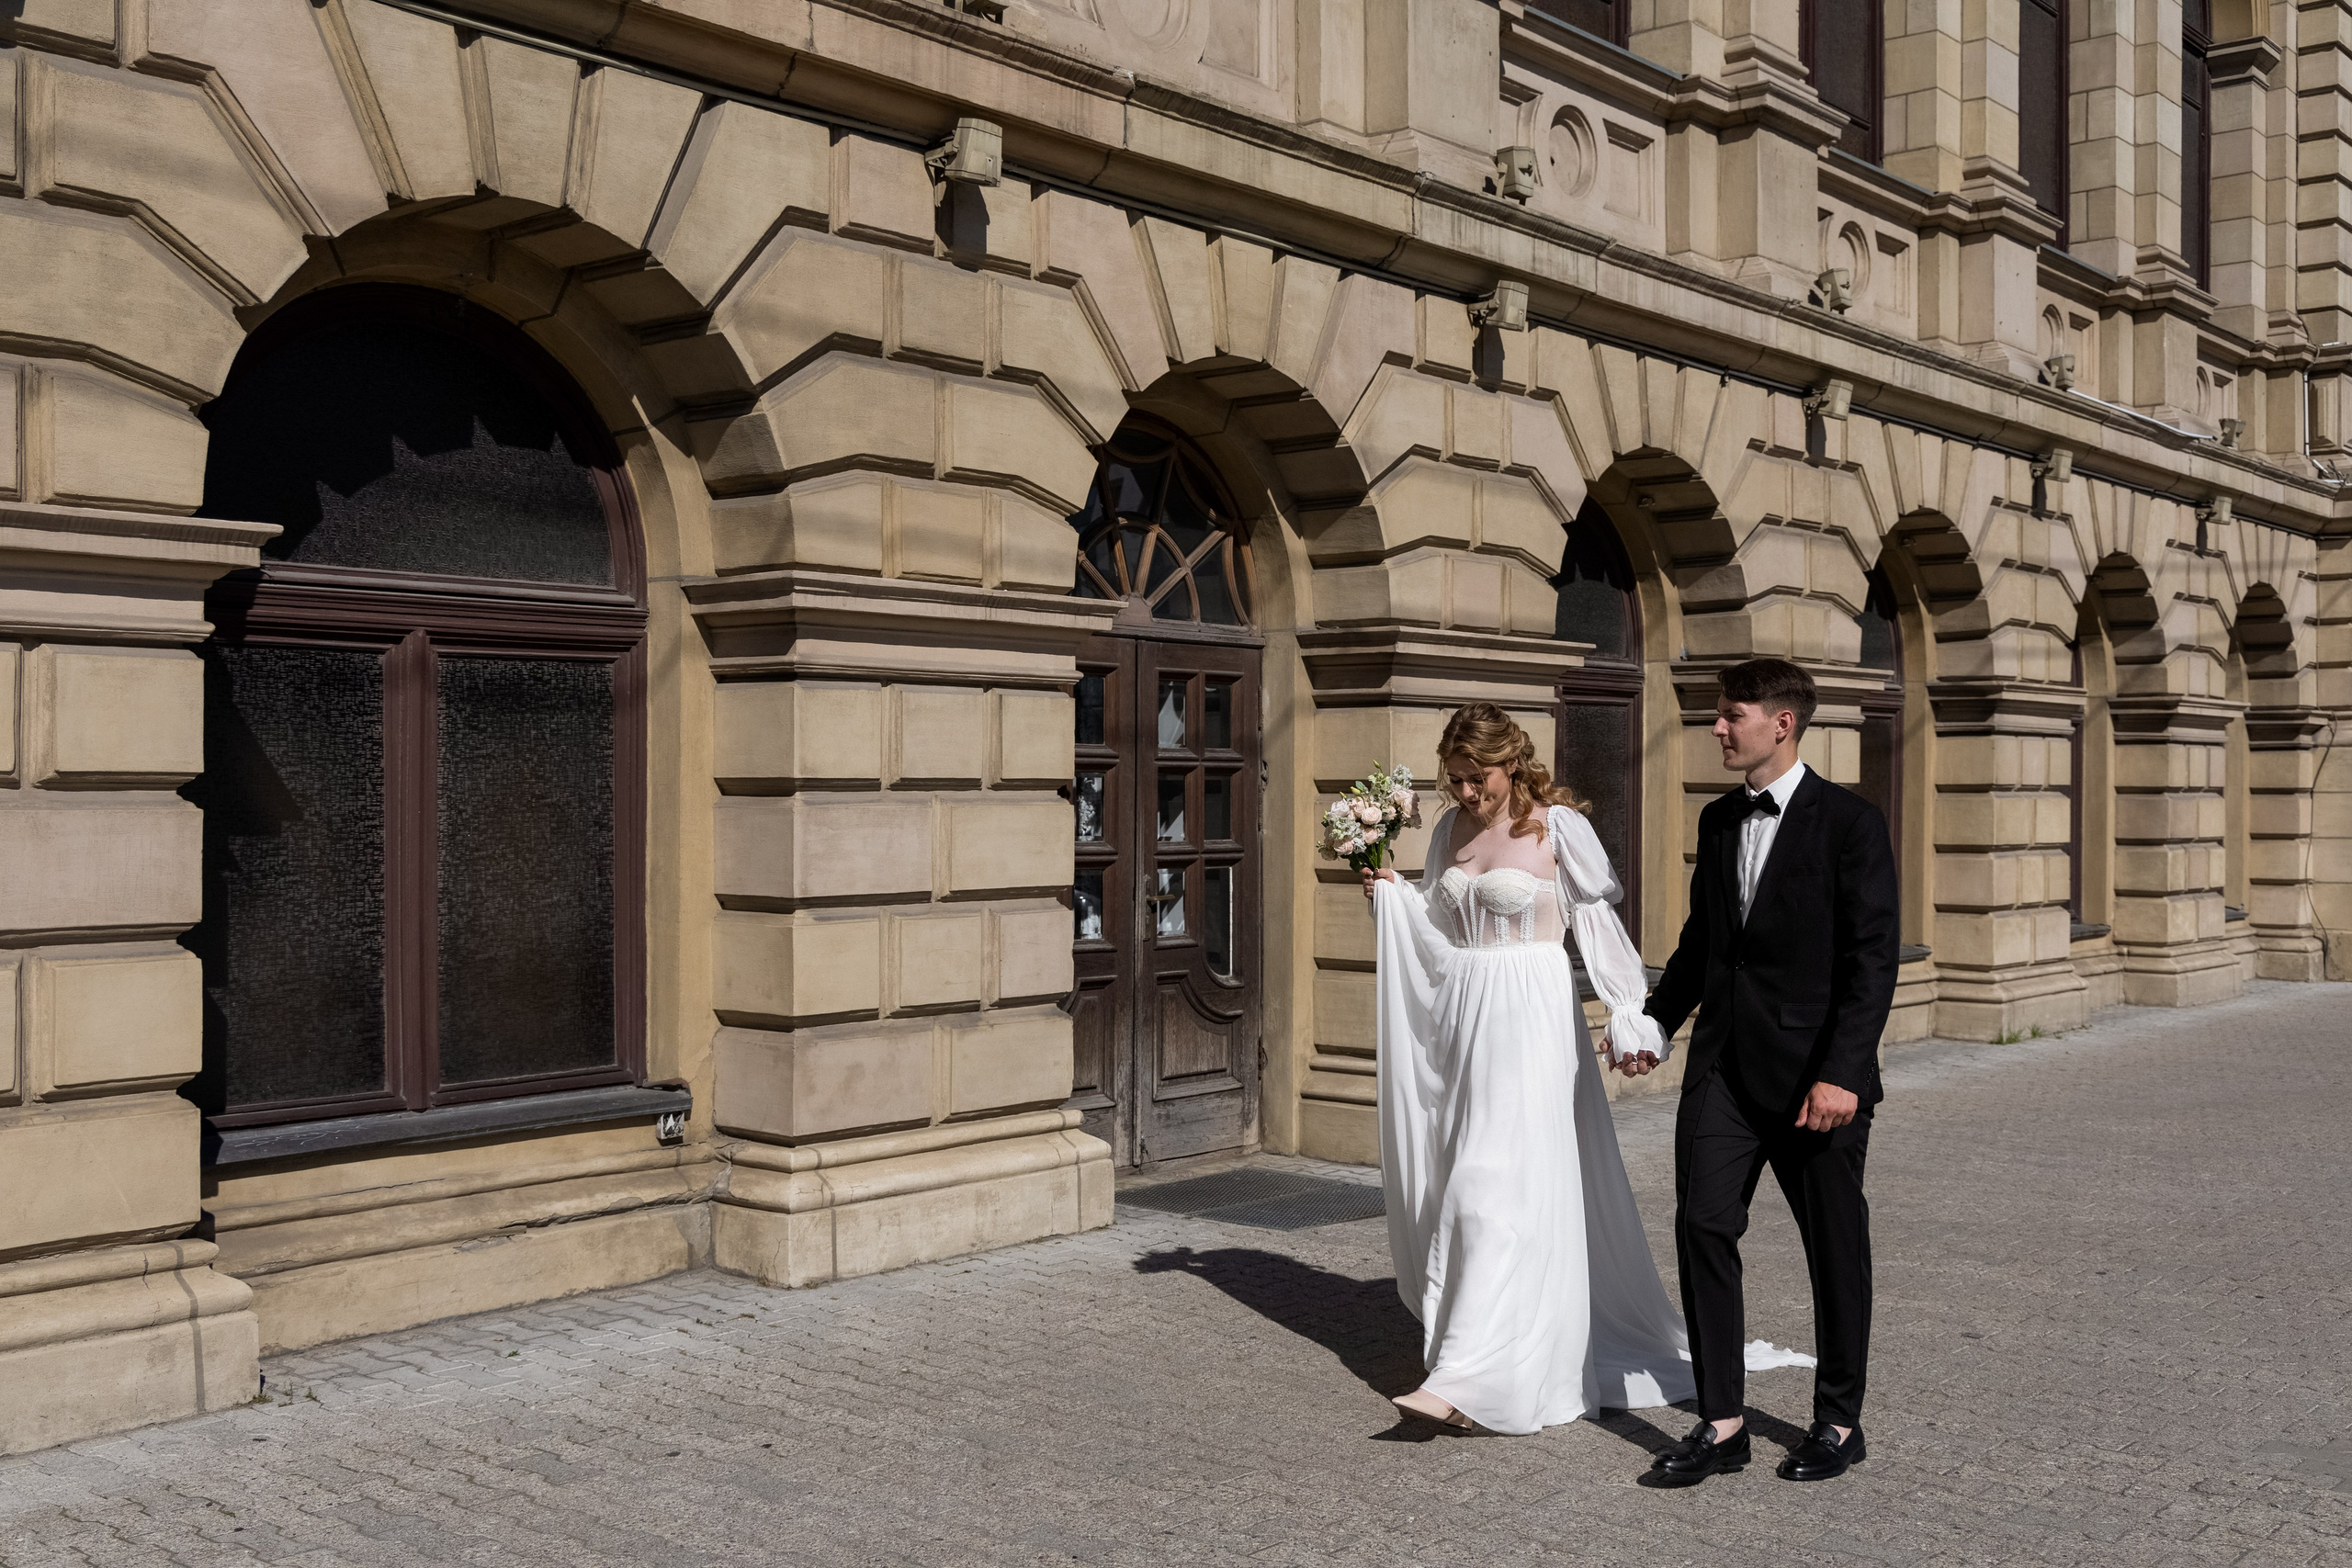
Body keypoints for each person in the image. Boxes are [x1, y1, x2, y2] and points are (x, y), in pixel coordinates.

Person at [1362, 703, 1808, 1435]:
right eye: (1457, 780)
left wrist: (1634, 1016)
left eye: (1479, 778)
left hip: (1532, 1024)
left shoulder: (1558, 827)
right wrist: (1392, 898)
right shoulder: (1448, 830)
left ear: (1513, 762)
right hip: (1465, 1022)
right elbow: (1440, 931)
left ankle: (1466, 1380)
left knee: (1488, 1187)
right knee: (1471, 1185)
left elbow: (1600, 934)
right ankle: (1489, 1361)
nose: (1468, 793)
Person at [1632, 659, 1900, 1484]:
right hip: (1724, 1073)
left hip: (1818, 1080)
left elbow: (1872, 958)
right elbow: (1703, 946)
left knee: (1833, 1246)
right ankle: (1722, 1423)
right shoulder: (1718, 820)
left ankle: (1839, 1419)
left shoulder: (1850, 822)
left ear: (1780, 723)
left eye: (1730, 714)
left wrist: (1843, 1072)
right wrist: (1655, 1021)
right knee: (1704, 1225)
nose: (1716, 727)